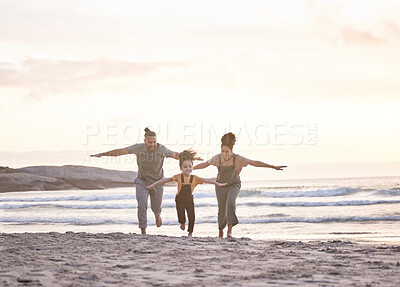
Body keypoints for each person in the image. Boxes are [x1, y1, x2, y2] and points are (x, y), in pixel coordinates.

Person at [91, 127, 197, 235]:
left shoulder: (161, 149)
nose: (152, 144)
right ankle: (143, 231)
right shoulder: (138, 148)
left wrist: (191, 158)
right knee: (142, 204)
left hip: (158, 182)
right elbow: (121, 151)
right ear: (145, 141)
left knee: (156, 207)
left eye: (154, 142)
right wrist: (102, 154)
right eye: (150, 142)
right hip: (142, 181)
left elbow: (175, 155)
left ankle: (157, 215)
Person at [193, 132, 287, 238]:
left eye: (227, 151)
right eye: (222, 151)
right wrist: (191, 168)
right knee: (221, 209)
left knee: (230, 202)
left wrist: (272, 166)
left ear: (231, 150)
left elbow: (254, 163)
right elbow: (204, 164)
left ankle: (229, 231)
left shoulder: (238, 159)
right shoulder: (217, 158)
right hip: (220, 185)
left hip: (234, 184)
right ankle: (220, 231)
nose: (224, 154)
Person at [146, 149, 226, 237]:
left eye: (189, 166)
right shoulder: (178, 177)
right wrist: (153, 184)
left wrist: (217, 183)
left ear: (192, 167)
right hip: (179, 200)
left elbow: (207, 180)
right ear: (181, 168)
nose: (188, 168)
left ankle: (190, 233)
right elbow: (165, 179)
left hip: (189, 200)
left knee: (192, 217)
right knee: (181, 216)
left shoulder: (195, 178)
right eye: (185, 167)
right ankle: (182, 222)